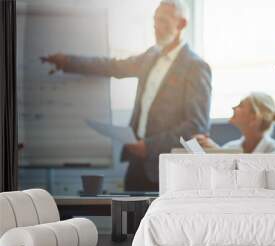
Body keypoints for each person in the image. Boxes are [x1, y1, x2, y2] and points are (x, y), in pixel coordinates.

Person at [41, 0, 212, 192]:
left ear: (181, 24)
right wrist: (68, 62)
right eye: (154, 20)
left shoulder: (196, 67)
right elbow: (113, 66)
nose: (156, 26)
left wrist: (149, 146)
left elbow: (196, 125)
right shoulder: (150, 56)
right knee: (126, 218)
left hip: (169, 170)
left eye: (163, 20)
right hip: (137, 161)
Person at [194, 92, 275, 154]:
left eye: (241, 105)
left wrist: (219, 152)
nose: (233, 108)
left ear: (254, 118)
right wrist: (214, 152)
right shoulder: (230, 147)